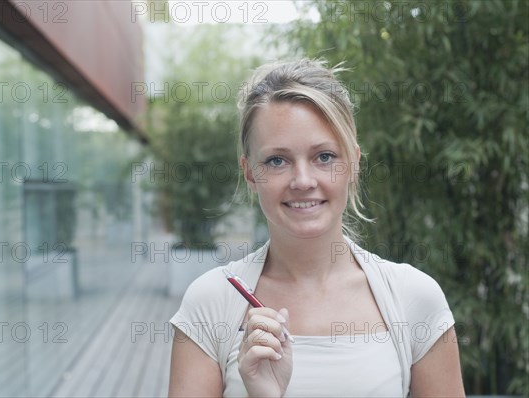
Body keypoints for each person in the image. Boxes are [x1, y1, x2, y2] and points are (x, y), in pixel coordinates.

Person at [168, 58, 465, 397]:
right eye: (277, 160)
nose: (303, 181)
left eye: (324, 157)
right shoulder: (210, 304)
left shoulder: (415, 299)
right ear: (250, 173)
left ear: (353, 163)